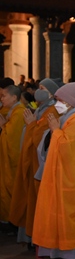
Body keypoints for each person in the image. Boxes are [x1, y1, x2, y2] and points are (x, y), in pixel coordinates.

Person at [31, 83, 75, 259]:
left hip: (72, 179)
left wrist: (56, 131)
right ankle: (57, 253)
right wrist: (55, 130)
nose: (56, 103)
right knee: (58, 217)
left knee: (69, 219)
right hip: (61, 177)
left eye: (59, 100)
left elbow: (67, 150)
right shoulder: (67, 118)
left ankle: (69, 257)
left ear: (68, 101)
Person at [8, 79, 59, 244]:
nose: (39, 91)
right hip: (32, 161)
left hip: (39, 163)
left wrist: (30, 125)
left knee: (37, 201)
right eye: (39, 87)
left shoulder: (53, 110)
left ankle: (36, 239)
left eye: (43, 88)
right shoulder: (41, 109)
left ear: (51, 93)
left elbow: (41, 137)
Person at [0, 85, 26, 223]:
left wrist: (3, 126)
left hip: (14, 161)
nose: (1, 99)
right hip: (8, 161)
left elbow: (12, 139)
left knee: (12, 189)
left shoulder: (19, 112)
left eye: (4, 96)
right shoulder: (13, 111)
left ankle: (12, 221)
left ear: (14, 97)